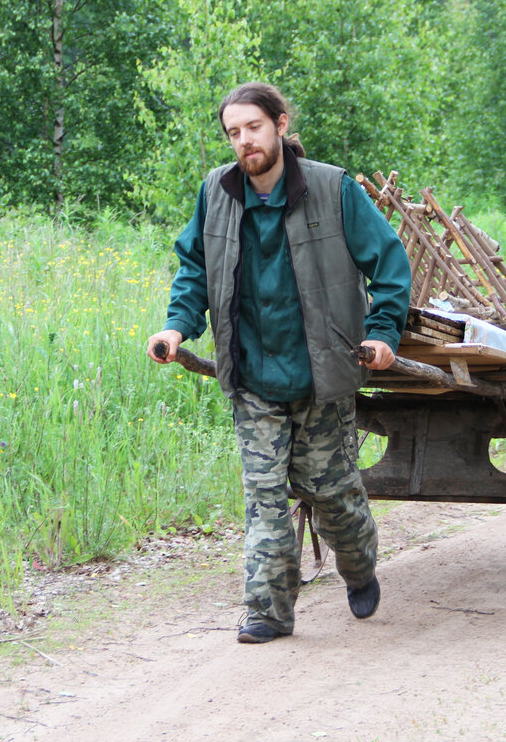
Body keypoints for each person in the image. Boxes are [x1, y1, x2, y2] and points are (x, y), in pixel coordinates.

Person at [146, 82, 412, 644]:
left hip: (322, 374)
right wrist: (175, 326)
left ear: (281, 125)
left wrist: (384, 333)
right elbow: (195, 270)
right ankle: (268, 610)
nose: (244, 141)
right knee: (264, 496)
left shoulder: (330, 187)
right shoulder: (216, 193)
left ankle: (359, 565)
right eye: (233, 132)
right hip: (252, 375)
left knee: (332, 492)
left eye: (254, 128)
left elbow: (388, 263)